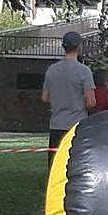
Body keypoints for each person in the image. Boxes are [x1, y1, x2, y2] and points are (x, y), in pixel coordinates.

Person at [41, 31, 95, 165]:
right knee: (74, 162)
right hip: (76, 125)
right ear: (79, 47)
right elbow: (91, 102)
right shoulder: (84, 71)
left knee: (55, 163)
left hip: (56, 124)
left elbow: (44, 98)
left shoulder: (52, 70)